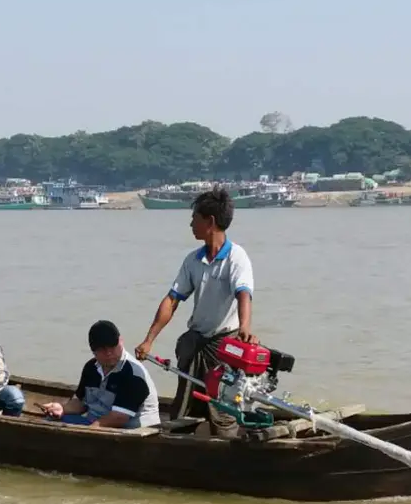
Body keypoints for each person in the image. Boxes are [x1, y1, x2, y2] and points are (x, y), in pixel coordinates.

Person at [133, 186, 256, 438]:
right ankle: (181, 442)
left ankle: (227, 447)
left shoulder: (236, 257)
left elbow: (243, 293)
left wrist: (245, 327)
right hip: (196, 341)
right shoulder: (193, 260)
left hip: (224, 344)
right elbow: (172, 300)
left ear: (210, 222)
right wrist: (149, 339)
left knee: (222, 409)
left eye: (194, 219)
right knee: (185, 406)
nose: (191, 224)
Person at [40, 320, 161, 429]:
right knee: (50, 421)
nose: (109, 353)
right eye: (103, 349)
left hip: (133, 430)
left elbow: (119, 418)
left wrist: (89, 431)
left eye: (113, 347)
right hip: (98, 422)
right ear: (93, 351)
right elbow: (80, 403)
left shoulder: (134, 374)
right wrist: (62, 408)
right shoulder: (91, 368)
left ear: (121, 341)